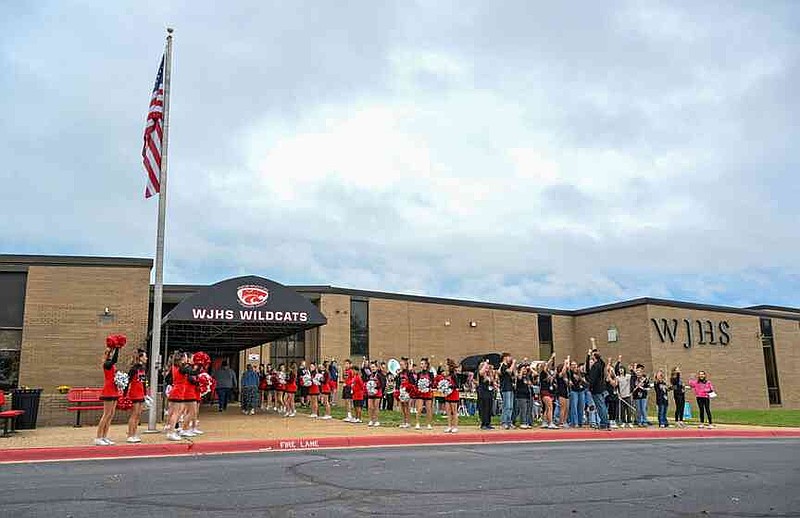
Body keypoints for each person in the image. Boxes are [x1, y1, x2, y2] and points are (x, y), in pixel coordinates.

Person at [96, 343, 121, 446]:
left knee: (111, 414)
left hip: (114, 389)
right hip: (108, 390)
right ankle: (98, 437)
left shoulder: (111, 364)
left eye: (110, 353)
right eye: (108, 353)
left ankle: (105, 436)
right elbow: (115, 359)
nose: (110, 355)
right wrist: (118, 348)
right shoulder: (106, 364)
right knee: (106, 414)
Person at [124, 348, 147, 443]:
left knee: (138, 415)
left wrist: (145, 393)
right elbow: (127, 382)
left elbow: (143, 382)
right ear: (140, 358)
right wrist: (124, 395)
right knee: (134, 414)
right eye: (145, 356)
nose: (147, 358)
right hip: (134, 393)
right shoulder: (133, 369)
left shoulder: (143, 368)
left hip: (141, 393)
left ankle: (134, 433)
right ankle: (130, 434)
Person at [586, 345, 610, 430]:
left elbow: (592, 377)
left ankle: (604, 423)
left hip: (596, 389)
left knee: (600, 406)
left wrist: (590, 387)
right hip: (601, 388)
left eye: (592, 355)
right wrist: (590, 354)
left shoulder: (595, 366)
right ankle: (606, 422)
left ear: (594, 357)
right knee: (602, 405)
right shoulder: (601, 363)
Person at [437, 359, 460, 433]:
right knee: (448, 411)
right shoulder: (446, 374)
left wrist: (449, 387)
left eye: (446, 365)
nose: (445, 366)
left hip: (453, 394)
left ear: (450, 366)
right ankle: (449, 426)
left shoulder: (453, 375)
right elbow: (439, 374)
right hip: (447, 394)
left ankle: (455, 426)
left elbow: (457, 385)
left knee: (454, 411)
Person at [414, 358, 436, 430]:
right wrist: (419, 387)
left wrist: (429, 386)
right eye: (421, 364)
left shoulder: (430, 374)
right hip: (420, 393)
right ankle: (417, 423)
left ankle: (429, 424)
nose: (421, 365)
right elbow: (416, 383)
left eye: (422, 364)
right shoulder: (419, 374)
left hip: (428, 393)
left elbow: (433, 383)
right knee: (419, 408)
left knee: (428, 409)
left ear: (426, 365)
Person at [538, 356, 557, 429]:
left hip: (549, 391)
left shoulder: (548, 373)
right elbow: (546, 366)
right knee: (550, 407)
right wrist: (551, 358)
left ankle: (544, 422)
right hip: (544, 391)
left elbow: (552, 379)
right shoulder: (543, 373)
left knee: (546, 408)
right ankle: (550, 422)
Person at [498, 353, 516, 430]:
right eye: (509, 357)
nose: (510, 359)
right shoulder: (503, 366)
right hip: (505, 388)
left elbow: (513, 374)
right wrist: (514, 363)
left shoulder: (508, 366)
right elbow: (509, 371)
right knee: (506, 406)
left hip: (510, 388)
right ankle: (504, 422)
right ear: (505, 358)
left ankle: (509, 422)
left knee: (511, 407)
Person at [395, 357, 414, 428]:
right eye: (400, 365)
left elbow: (412, 382)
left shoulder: (409, 373)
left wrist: (408, 389)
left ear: (406, 365)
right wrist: (397, 390)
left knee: (407, 407)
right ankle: (404, 421)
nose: (401, 366)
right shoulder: (400, 373)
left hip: (407, 392)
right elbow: (398, 382)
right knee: (402, 407)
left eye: (402, 365)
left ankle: (408, 422)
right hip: (401, 391)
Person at [477, 360, 496, 430]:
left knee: (489, 408)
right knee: (484, 408)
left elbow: (493, 383)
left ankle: (488, 423)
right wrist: (485, 363)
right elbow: (481, 372)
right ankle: (483, 424)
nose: (487, 369)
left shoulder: (489, 375)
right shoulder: (481, 374)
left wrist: (491, 373)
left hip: (489, 393)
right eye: (486, 368)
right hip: (483, 393)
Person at [514, 362, 534, 429]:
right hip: (521, 395)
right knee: (523, 409)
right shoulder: (519, 375)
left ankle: (527, 422)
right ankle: (523, 422)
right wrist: (521, 371)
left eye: (525, 369)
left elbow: (531, 383)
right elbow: (519, 378)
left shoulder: (527, 376)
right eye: (523, 369)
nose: (525, 370)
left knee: (528, 409)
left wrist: (529, 369)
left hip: (528, 394)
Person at [567, 360, 586, 428]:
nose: (574, 366)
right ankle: (574, 422)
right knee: (574, 407)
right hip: (574, 391)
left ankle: (580, 422)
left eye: (575, 364)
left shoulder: (580, 373)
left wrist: (580, 379)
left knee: (581, 406)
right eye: (572, 364)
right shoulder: (569, 373)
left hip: (581, 391)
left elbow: (584, 381)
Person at [365, 361, 385, 426]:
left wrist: (376, 386)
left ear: (376, 367)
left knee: (376, 407)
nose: (372, 368)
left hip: (377, 393)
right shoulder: (370, 375)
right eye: (371, 367)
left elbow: (383, 384)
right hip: (370, 393)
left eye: (374, 367)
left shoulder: (379, 375)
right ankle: (371, 420)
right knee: (370, 407)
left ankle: (376, 421)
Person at [615, 360, 633, 428]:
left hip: (627, 395)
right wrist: (618, 394)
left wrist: (631, 370)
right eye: (620, 370)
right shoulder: (617, 377)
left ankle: (629, 422)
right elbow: (616, 387)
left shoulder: (628, 376)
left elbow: (634, 376)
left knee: (628, 409)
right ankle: (623, 422)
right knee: (622, 410)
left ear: (624, 370)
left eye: (622, 369)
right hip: (621, 396)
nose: (621, 370)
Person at [555, 358, 570, 427]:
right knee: (563, 408)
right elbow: (563, 372)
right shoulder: (559, 375)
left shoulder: (565, 376)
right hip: (561, 392)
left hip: (566, 392)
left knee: (567, 408)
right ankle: (561, 422)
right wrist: (565, 363)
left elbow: (566, 371)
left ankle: (564, 421)